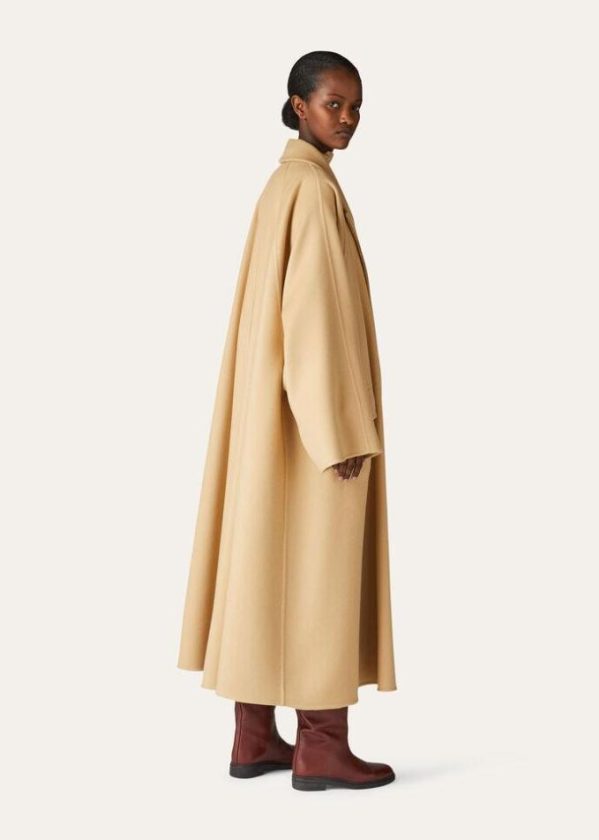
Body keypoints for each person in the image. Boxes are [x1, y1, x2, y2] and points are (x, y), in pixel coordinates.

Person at [177, 50, 397, 791]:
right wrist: (339, 432)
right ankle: (321, 747)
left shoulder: (284, 186)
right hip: (312, 428)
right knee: (319, 578)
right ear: (299, 105)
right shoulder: (312, 191)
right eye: (335, 103)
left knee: (264, 569)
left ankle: (254, 739)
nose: (348, 118)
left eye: (356, 107)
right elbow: (313, 321)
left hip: (271, 420)